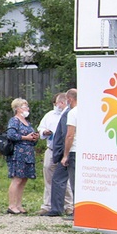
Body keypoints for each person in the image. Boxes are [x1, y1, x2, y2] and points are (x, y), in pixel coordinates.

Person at [36, 93, 73, 216]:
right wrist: (44, 132)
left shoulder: (70, 114)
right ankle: (48, 205)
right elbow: (40, 128)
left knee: (65, 179)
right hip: (51, 149)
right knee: (49, 177)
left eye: (57, 103)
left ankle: (68, 205)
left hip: (65, 151)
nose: (56, 105)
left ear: (63, 103)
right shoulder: (50, 115)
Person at [5, 97, 39, 215]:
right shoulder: (14, 120)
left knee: (24, 179)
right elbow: (11, 135)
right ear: (18, 108)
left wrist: (34, 138)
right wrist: (26, 137)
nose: (27, 108)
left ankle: (19, 204)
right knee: (17, 179)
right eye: (25, 106)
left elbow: (31, 137)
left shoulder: (27, 122)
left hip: (28, 153)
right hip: (18, 153)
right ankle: (12, 205)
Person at [47, 88, 77, 218]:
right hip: (76, 151)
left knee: (68, 180)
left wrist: (63, 154)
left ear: (69, 99)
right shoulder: (84, 111)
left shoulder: (71, 113)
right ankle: (60, 208)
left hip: (71, 151)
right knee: (63, 179)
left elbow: (68, 135)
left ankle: (60, 209)